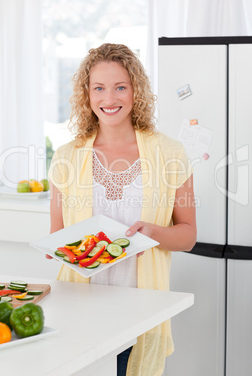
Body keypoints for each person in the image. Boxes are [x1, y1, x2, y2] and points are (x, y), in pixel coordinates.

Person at [48, 43, 197, 376]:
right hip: (77, 308)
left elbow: (187, 235)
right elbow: (58, 233)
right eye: (98, 88)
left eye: (120, 87)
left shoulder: (169, 152)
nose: (109, 98)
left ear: (135, 91)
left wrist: (154, 234)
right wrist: (56, 249)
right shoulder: (66, 156)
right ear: (86, 94)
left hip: (139, 309)